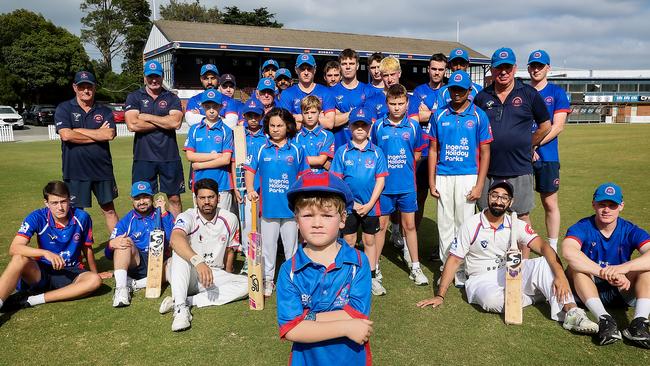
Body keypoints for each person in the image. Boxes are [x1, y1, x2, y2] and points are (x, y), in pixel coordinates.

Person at [416, 180, 599, 336]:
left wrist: (559, 275)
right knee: (492, 301)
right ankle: (540, 295)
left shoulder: (515, 223)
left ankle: (572, 313)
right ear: (488, 197)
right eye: (495, 195)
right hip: (481, 279)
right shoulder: (471, 225)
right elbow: (454, 260)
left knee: (544, 264)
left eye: (504, 197)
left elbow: (543, 246)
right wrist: (440, 295)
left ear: (510, 202)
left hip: (511, 271)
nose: (498, 201)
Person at [277, 171, 373, 365]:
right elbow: (292, 329)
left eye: (327, 215)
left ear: (343, 219)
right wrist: (346, 328)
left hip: (351, 358)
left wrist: (307, 318)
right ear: (296, 220)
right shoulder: (289, 271)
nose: (317, 223)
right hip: (306, 360)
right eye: (308, 215)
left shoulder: (358, 262)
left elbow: (357, 315)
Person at [562, 183, 650, 348]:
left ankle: (639, 323)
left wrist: (623, 268)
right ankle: (604, 320)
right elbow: (568, 252)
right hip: (589, 288)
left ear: (621, 206)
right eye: (602, 204)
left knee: (646, 269)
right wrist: (605, 273)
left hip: (621, 289)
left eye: (612, 205)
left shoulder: (630, 230)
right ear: (594, 204)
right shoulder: (582, 227)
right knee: (576, 268)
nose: (606, 210)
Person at [474, 48, 551, 232]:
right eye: (499, 68)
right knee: (487, 215)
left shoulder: (529, 94)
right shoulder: (481, 98)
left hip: (519, 167)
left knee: (522, 217)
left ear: (515, 68)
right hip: (489, 170)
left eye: (507, 67)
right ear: (492, 70)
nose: (503, 72)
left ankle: (522, 261)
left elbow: (545, 125)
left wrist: (530, 144)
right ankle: (490, 257)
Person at [428, 70, 492, 287]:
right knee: (445, 224)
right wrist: (431, 180)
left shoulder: (478, 115)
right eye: (453, 89)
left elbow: (485, 152)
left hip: (468, 175)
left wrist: (480, 184)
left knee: (463, 224)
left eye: (461, 90)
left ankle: (462, 269)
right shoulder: (439, 115)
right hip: (444, 175)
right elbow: (434, 149)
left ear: (468, 91)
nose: (456, 93)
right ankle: (446, 267)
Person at [159, 178, 247, 331]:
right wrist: (197, 261)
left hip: (212, 274)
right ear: (196, 199)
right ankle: (180, 310)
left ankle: (187, 301)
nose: (207, 202)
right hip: (189, 271)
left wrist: (227, 274)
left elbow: (231, 249)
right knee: (179, 252)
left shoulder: (230, 218)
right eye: (202, 198)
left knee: (246, 285)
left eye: (211, 197)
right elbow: (175, 239)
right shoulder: (187, 216)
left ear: (218, 198)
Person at [0, 181, 102, 313]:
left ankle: (32, 300)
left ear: (69, 200)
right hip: (41, 272)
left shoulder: (82, 217)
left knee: (94, 281)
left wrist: (95, 272)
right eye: (54, 203)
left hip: (71, 272)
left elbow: (87, 247)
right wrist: (45, 253)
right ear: (46, 203)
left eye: (63, 201)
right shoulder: (36, 217)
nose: (60, 207)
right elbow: (14, 248)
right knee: (19, 258)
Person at [244, 108, 310, 296]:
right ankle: (268, 281)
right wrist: (250, 189)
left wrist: (302, 201)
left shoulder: (297, 149)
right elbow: (250, 170)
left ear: (288, 126)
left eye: (279, 125)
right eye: (272, 125)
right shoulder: (260, 148)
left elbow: (303, 177)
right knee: (268, 247)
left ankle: (292, 280)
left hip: (290, 209)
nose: (275, 129)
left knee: (291, 248)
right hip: (268, 208)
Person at [370, 84, 428, 286]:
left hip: (407, 186)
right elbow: (374, 153)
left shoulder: (413, 126)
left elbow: (418, 153)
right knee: (382, 226)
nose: (396, 107)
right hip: (384, 188)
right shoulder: (378, 126)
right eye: (393, 103)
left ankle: (415, 266)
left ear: (407, 103)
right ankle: (374, 268)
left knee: (409, 226)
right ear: (386, 103)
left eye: (400, 104)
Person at [331, 107, 388, 295]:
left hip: (370, 206)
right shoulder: (343, 151)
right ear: (349, 126)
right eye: (356, 125)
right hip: (348, 206)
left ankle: (371, 276)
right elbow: (337, 181)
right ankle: (347, 277)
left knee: (369, 240)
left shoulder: (377, 152)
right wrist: (351, 203)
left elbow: (380, 180)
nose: (360, 128)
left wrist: (370, 203)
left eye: (364, 125)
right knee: (348, 240)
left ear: (370, 127)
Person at [55, 71, 118, 233]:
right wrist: (98, 135)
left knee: (109, 210)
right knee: (77, 214)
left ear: (94, 88)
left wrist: (78, 131)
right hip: (75, 171)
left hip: (102, 170)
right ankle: (77, 254)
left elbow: (109, 134)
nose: (86, 91)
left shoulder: (104, 111)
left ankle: (120, 249)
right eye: (82, 87)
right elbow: (66, 135)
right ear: (75, 88)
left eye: (89, 86)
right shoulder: (64, 108)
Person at [125, 60, 185, 217]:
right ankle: (147, 235)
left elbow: (176, 122)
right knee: (143, 199)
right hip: (143, 157)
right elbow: (132, 125)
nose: (153, 80)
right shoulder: (134, 97)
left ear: (162, 77)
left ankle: (176, 236)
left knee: (174, 198)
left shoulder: (171, 97)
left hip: (169, 156)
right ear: (144, 77)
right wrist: (163, 121)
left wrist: (146, 117)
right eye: (150, 76)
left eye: (157, 77)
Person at [527, 50, 570, 252]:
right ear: (528, 68)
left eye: (540, 66)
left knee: (550, 203)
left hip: (548, 156)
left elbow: (558, 126)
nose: (536, 69)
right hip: (523, 156)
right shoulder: (522, 92)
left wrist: (533, 144)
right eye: (533, 66)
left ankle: (551, 248)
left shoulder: (557, 93)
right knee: (522, 206)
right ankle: (523, 246)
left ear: (548, 68)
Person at [107, 181, 174, 307]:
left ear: (152, 197)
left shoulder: (164, 214)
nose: (142, 201)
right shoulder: (126, 221)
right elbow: (108, 254)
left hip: (161, 261)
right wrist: (112, 244)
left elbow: (173, 240)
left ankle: (134, 284)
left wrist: (164, 213)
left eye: (145, 197)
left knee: (174, 264)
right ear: (132, 199)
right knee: (125, 242)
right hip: (137, 263)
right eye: (137, 198)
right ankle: (121, 290)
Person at [183, 89, 234, 210]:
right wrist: (214, 156)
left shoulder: (226, 130)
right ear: (202, 106)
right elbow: (190, 156)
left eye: (215, 106)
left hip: (221, 185)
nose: (211, 110)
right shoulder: (194, 129)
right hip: (199, 184)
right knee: (200, 224)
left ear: (221, 107)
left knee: (222, 223)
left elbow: (225, 160)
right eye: (207, 106)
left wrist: (200, 166)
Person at [330, 48, 380, 149]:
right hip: (339, 148)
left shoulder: (369, 91)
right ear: (339, 67)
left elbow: (372, 121)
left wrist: (342, 114)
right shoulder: (330, 92)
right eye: (344, 64)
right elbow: (331, 122)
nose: (348, 67)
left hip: (364, 150)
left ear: (357, 66)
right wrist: (356, 112)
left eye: (351, 63)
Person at [279, 54, 336, 129]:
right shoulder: (287, 93)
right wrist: (318, 117)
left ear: (315, 69)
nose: (306, 72)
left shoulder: (326, 92)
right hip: (296, 139)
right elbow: (286, 124)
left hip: (320, 139)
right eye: (302, 69)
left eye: (309, 69)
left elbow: (329, 124)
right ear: (296, 70)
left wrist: (298, 117)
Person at [433, 48, 483, 113]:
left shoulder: (478, 90)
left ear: (467, 65)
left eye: (462, 63)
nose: (458, 67)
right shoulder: (443, 91)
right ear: (450, 66)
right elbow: (438, 115)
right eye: (455, 64)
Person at [294, 96, 335, 172]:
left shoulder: (328, 135)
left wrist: (299, 159)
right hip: (302, 179)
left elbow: (321, 160)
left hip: (322, 179)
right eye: (306, 113)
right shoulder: (295, 136)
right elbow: (292, 160)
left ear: (319, 113)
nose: (309, 116)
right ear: (301, 114)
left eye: (313, 112)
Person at [413, 53, 447, 123]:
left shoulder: (449, 91)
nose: (437, 73)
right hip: (424, 133)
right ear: (428, 69)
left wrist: (429, 113)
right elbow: (416, 116)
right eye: (434, 69)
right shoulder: (419, 91)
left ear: (445, 71)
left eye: (440, 70)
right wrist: (441, 114)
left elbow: (451, 117)